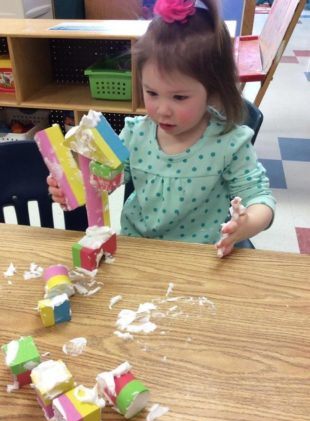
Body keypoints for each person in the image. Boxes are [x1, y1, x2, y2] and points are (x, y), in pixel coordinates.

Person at [48, 0, 275, 257]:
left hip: (200, 256)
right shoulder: (135, 133)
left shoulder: (230, 143)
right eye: (152, 93)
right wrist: (72, 187)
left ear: (213, 90)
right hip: (139, 252)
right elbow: (105, 182)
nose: (162, 109)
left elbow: (261, 199)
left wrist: (246, 224)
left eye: (179, 97)